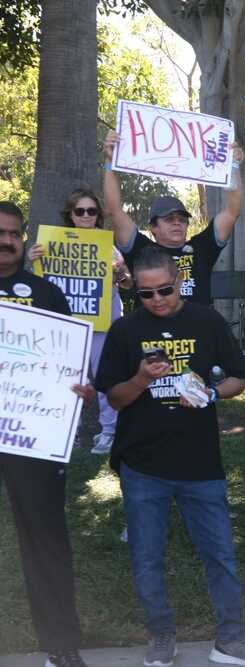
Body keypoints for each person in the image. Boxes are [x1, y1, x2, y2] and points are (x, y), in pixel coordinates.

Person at [94, 247, 245, 667]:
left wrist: (211, 394)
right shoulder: (125, 331)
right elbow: (115, 399)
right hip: (143, 465)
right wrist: (141, 378)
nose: (157, 300)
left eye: (166, 290)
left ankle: (231, 640)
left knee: (220, 555)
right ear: (135, 292)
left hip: (200, 463)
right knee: (147, 557)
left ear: (180, 282)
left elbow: (239, 378)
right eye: (146, 294)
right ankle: (161, 637)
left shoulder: (206, 320)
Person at [0, 201, 95, 667]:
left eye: (14, 233)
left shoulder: (46, 294)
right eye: (0, 232)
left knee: (45, 535)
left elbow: (68, 359)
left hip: (30, 431)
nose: (6, 240)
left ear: (23, 239)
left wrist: (75, 387)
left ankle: (61, 641)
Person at [27, 188, 133, 455]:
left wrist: (119, 269)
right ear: (71, 215)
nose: (86, 215)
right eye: (80, 211)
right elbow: (40, 284)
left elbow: (129, 283)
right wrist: (32, 263)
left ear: (97, 215)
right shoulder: (51, 244)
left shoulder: (108, 247)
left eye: (91, 211)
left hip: (104, 323)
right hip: (67, 324)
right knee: (67, 379)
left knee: (105, 377)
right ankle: (67, 431)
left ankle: (108, 432)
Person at [102, 130, 244, 305]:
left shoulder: (202, 247)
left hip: (197, 328)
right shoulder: (142, 250)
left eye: (182, 219)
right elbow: (114, 210)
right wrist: (110, 162)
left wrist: (234, 166)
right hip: (151, 330)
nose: (177, 222)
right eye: (169, 219)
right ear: (153, 227)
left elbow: (232, 211)